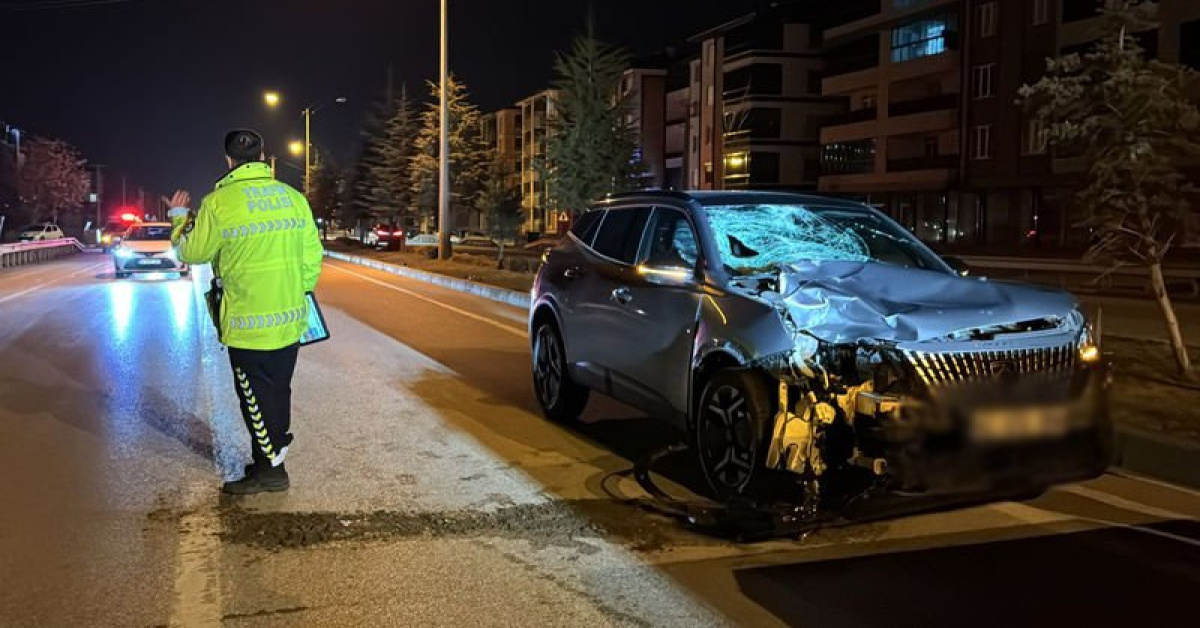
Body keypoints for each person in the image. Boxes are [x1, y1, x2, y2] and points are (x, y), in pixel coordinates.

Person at [166, 129, 324, 494]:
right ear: (262, 157)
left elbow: (191, 253)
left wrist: (178, 218)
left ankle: (271, 472)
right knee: (278, 392)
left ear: (229, 161)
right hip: (289, 319)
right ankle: (270, 460)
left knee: (254, 398)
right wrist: (296, 292)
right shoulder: (293, 198)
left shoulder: (220, 203)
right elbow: (312, 257)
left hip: (247, 323)